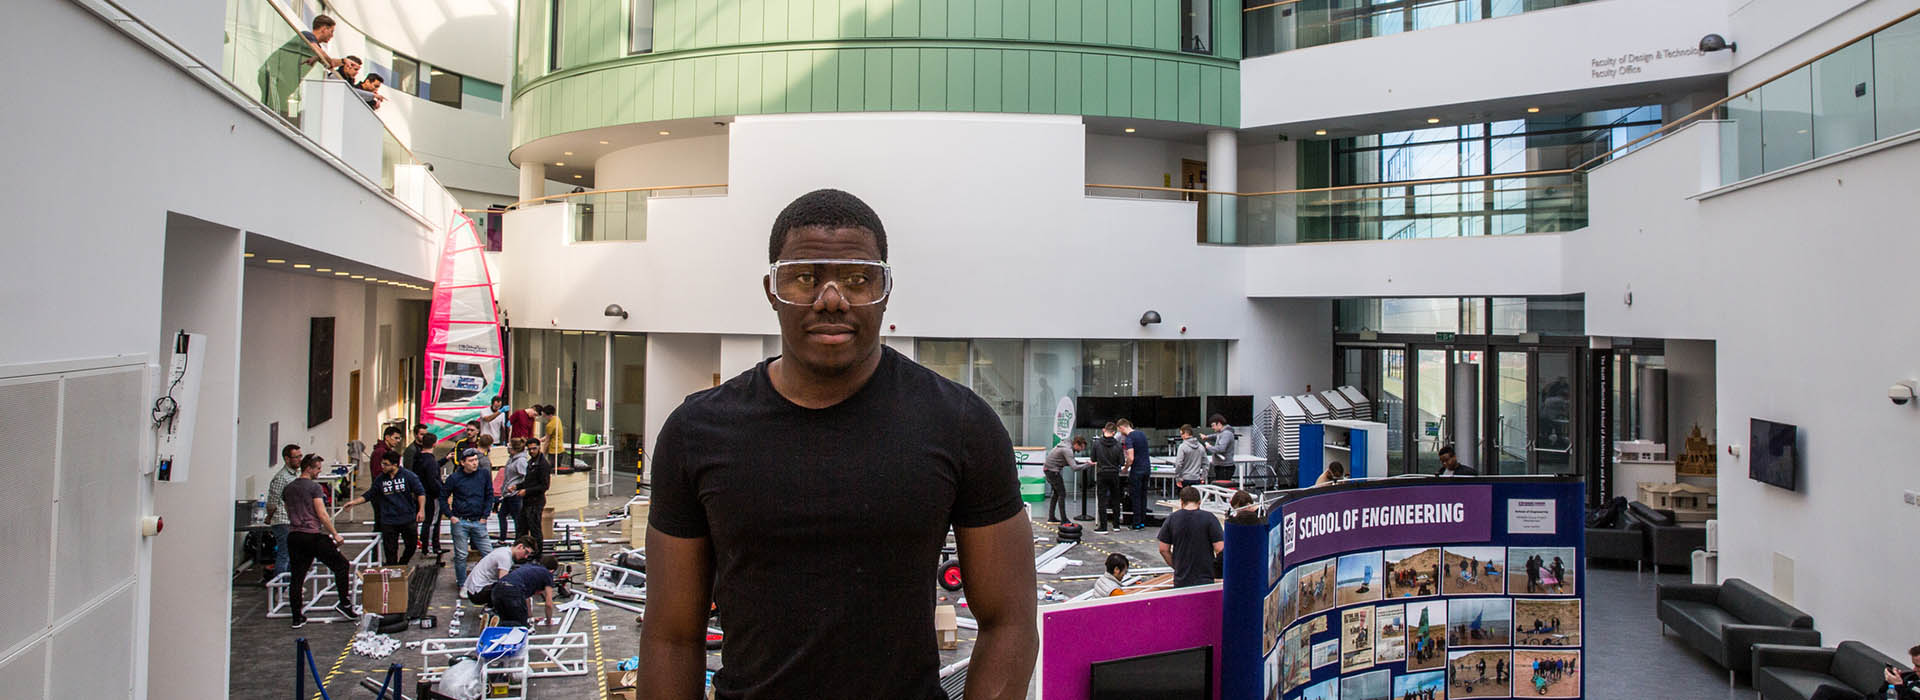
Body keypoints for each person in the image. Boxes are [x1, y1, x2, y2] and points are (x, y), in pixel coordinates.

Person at [642, 189, 1035, 700]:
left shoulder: (958, 424)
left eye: (857, 278)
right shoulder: (697, 432)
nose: (832, 298)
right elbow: (671, 635)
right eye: (805, 277)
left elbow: (1011, 621)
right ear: (771, 289)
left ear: (885, 290)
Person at [282, 455, 357, 627]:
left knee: (297, 577)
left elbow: (288, 510)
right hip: (312, 535)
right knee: (341, 565)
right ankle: (344, 604)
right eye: (317, 468)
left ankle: (296, 617)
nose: (319, 472)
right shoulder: (314, 488)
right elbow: (322, 514)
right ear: (308, 468)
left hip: (294, 536)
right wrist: (335, 534)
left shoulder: (288, 488)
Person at [337, 451, 424, 565]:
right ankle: (393, 572)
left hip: (407, 518)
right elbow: (370, 494)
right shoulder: (381, 479)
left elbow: (420, 493)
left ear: (395, 465)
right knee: (390, 551)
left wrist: (421, 510)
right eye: (382, 464)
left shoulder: (408, 476)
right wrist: (354, 502)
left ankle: (402, 564)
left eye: (385, 464)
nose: (382, 466)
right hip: (389, 520)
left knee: (411, 545)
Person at [257, 14, 340, 116]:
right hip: (273, 75)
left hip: (280, 81)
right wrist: (327, 60)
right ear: (324, 29)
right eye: (331, 31)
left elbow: (328, 60)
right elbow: (323, 56)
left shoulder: (313, 46)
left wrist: (344, 61)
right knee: (274, 110)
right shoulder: (307, 36)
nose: (332, 35)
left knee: (278, 108)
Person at [445, 448, 496, 584]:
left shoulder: (483, 474)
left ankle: (488, 580)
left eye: (476, 460)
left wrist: (485, 516)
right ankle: (462, 583)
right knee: (461, 555)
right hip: (460, 521)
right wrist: (450, 516)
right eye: (471, 461)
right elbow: (442, 497)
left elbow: (489, 494)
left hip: (478, 521)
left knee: (489, 553)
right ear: (462, 463)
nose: (475, 463)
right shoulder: (454, 478)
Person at [1157, 486, 1224, 587]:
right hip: (1205, 578)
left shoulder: (1172, 518)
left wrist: (1176, 566)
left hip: (1181, 579)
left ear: (1181, 502)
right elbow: (1220, 549)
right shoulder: (1209, 518)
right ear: (1199, 502)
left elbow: (1163, 549)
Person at [263, 444, 304, 576]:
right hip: (282, 521)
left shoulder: (297, 474)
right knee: (284, 554)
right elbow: (272, 502)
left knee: (293, 554)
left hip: (293, 520)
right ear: (287, 459)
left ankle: (289, 586)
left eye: (300, 456)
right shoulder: (281, 477)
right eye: (296, 457)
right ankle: (280, 588)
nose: (300, 459)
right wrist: (269, 518)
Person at [463, 537, 535, 606]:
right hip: (477, 593)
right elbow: (503, 584)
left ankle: (491, 607)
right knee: (510, 589)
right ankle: (494, 609)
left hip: (474, 589)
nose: (526, 557)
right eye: (526, 552)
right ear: (520, 546)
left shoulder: (504, 550)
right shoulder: (505, 557)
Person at [492, 556, 561, 628]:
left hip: (497, 588)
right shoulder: (547, 574)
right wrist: (548, 621)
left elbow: (526, 598)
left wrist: (530, 618)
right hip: (513, 590)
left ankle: (492, 627)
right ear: (552, 571)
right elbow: (548, 604)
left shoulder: (528, 567)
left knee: (505, 622)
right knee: (520, 627)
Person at [409, 427, 447, 554]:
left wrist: (445, 459)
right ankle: (429, 546)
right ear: (435, 444)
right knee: (432, 521)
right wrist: (441, 492)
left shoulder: (418, 457)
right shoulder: (430, 461)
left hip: (422, 493)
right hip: (431, 495)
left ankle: (429, 545)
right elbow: (432, 479)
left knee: (427, 520)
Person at [1090, 423, 1127, 533]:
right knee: (1116, 499)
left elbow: (1093, 459)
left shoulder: (1097, 444)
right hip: (1114, 474)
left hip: (1102, 474)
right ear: (1114, 432)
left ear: (1103, 430)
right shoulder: (1118, 445)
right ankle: (1116, 525)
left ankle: (1103, 526)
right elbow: (1122, 462)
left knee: (1102, 500)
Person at [516, 439, 551, 557]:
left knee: (535, 529)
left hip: (536, 502)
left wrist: (526, 491)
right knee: (522, 528)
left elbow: (544, 486)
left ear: (539, 448)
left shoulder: (543, 464)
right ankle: (522, 553)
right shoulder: (531, 462)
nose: (531, 451)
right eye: (529, 449)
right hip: (527, 501)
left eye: (534, 448)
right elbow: (528, 482)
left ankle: (537, 555)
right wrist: (517, 486)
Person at [1118, 419, 1152, 530]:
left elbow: (1131, 457)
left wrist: (1126, 468)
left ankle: (1136, 523)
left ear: (1122, 427)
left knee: (1136, 496)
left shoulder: (1129, 438)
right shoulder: (1142, 434)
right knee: (1143, 496)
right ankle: (1143, 521)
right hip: (1147, 468)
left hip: (1137, 470)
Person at [1043, 436, 1086, 523]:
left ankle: (1051, 518)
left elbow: (1071, 461)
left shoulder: (1065, 446)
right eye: (1081, 447)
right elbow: (1074, 467)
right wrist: (1088, 465)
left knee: (1056, 494)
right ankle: (1064, 520)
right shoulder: (1067, 450)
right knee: (1062, 494)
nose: (1082, 450)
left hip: (1049, 470)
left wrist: (1083, 463)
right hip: (1053, 472)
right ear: (1077, 444)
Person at [498, 437, 528, 540]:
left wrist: (519, 488)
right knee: (502, 515)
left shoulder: (520, 461)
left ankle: (519, 539)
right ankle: (503, 538)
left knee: (517, 518)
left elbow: (526, 477)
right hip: (508, 494)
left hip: (515, 495)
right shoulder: (511, 459)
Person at [1204, 414, 1237, 481]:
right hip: (1222, 466)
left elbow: (1221, 448)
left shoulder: (1226, 434)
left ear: (1219, 423)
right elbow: (1216, 436)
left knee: (1222, 489)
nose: (1212, 428)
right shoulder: (1222, 433)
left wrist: (1209, 447)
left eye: (1213, 425)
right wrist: (1207, 437)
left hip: (1224, 468)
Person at [1174, 424, 1207, 489]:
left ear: (1186, 433)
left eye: (1181, 434)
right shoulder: (1201, 446)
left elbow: (1178, 463)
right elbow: (1206, 463)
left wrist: (1178, 478)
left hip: (1184, 479)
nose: (1181, 436)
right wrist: (1203, 477)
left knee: (1185, 498)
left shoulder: (1182, 447)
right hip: (1197, 479)